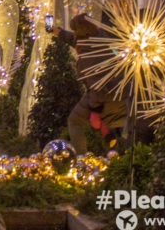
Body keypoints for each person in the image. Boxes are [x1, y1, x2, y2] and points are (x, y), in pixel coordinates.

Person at [54, 14, 128, 154]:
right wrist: (59, 33)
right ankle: (113, 142)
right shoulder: (100, 37)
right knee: (114, 127)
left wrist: (95, 111)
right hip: (122, 94)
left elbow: (97, 87)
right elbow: (76, 41)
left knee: (75, 121)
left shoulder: (88, 57)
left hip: (105, 98)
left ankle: (81, 159)